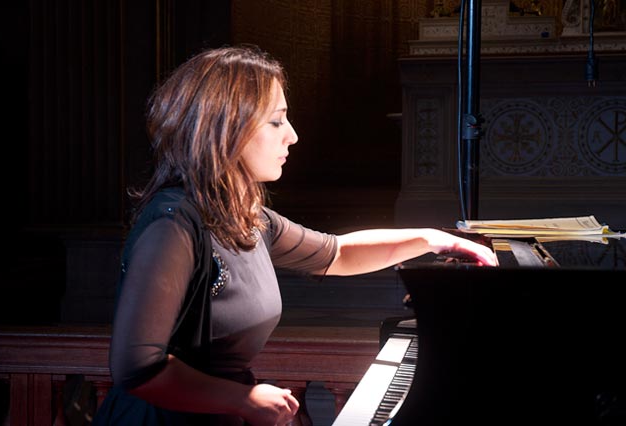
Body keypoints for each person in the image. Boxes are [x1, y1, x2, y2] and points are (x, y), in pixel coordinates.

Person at [92, 44, 498, 426]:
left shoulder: (245, 216)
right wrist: (241, 399)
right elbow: (137, 367)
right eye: (276, 120)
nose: (292, 135)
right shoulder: (173, 223)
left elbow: (338, 253)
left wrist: (435, 239)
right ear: (225, 127)